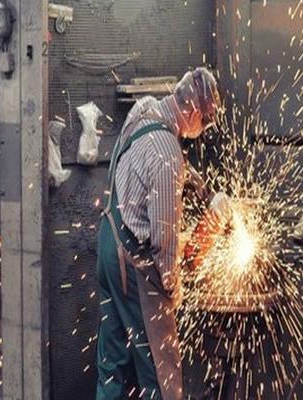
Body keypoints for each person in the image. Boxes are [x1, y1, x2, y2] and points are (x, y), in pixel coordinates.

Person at [96, 67, 222, 400]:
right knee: (161, 374)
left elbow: (160, 162)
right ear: (192, 112)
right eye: (204, 121)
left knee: (113, 363)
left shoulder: (145, 108)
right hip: (134, 267)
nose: (202, 129)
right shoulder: (168, 155)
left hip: (108, 245)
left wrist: (205, 192)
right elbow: (164, 240)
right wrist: (172, 288)